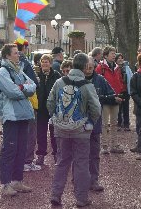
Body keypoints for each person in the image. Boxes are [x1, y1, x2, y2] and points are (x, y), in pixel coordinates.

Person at [47, 53, 101, 207]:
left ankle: (56, 195)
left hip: (61, 129)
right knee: (81, 164)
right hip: (81, 130)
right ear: (85, 67)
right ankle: (81, 198)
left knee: (62, 162)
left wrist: (56, 118)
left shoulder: (59, 82)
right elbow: (96, 109)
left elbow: (50, 102)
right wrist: (90, 122)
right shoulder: (87, 85)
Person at [0, 44, 36, 196]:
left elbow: (33, 85)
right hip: (11, 116)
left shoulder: (19, 71)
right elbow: (12, 92)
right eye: (15, 53)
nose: (18, 55)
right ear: (7, 56)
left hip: (24, 115)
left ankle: (17, 181)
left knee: (21, 148)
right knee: (9, 149)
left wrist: (21, 88)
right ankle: (6, 184)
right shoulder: (3, 72)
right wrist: (23, 89)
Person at [84, 56, 116, 191]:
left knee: (94, 153)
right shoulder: (76, 80)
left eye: (91, 66)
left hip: (95, 123)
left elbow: (111, 95)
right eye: (86, 66)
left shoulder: (100, 80)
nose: (89, 69)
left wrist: (99, 98)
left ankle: (93, 180)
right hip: (79, 123)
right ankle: (79, 179)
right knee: (79, 154)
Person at [14, 38, 40, 171]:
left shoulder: (7, 64)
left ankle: (17, 161)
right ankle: (27, 161)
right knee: (30, 133)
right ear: (24, 48)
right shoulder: (25, 63)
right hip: (28, 101)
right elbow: (34, 82)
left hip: (14, 103)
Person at [95, 46, 124, 154]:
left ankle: (114, 144)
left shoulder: (117, 68)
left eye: (114, 53)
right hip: (106, 99)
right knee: (104, 123)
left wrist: (120, 92)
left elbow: (120, 81)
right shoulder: (100, 68)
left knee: (114, 123)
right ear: (106, 55)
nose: (114, 55)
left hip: (116, 98)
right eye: (112, 53)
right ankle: (104, 146)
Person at [35, 54, 61, 166]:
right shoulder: (36, 75)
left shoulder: (56, 75)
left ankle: (56, 154)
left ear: (50, 63)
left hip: (53, 108)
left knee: (54, 133)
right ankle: (41, 155)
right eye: (43, 61)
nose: (45, 64)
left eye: (47, 62)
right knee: (40, 133)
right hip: (40, 109)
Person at [115, 53, 133, 131]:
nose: (120, 59)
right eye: (118, 58)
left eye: (121, 58)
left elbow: (131, 77)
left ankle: (126, 124)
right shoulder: (114, 68)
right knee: (118, 109)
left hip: (125, 90)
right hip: (118, 91)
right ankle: (119, 124)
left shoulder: (127, 68)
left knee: (126, 108)